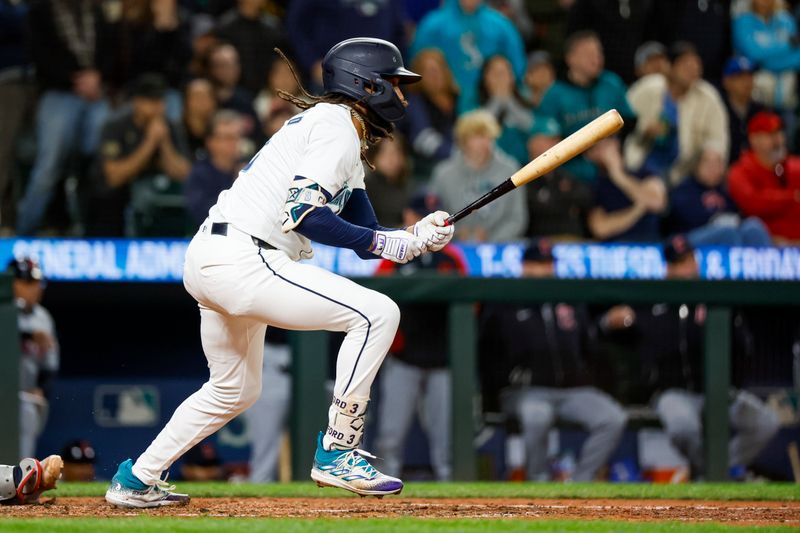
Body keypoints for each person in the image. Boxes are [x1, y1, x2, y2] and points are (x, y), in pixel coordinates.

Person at [105, 37, 455, 508]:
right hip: (247, 256)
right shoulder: (336, 125)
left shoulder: (337, 129)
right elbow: (306, 215)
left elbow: (367, 232)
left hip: (215, 255)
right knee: (377, 314)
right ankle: (338, 451)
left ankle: (136, 478)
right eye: (394, 82)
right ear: (365, 82)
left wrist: (415, 237)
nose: (402, 93)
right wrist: (383, 241)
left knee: (235, 389)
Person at [479, 241, 627, 481]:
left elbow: (589, 342)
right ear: (524, 267)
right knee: (538, 415)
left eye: (549, 264)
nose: (545, 270)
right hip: (525, 392)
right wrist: (497, 388)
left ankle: (581, 482)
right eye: (538, 264)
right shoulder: (505, 299)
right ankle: (538, 480)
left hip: (572, 391)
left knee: (613, 418)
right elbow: (486, 350)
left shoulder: (568, 297)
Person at [374, 192, 468, 482]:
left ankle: (451, 494)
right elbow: (376, 296)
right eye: (418, 215)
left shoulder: (452, 258)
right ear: (409, 218)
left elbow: (472, 305)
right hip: (404, 359)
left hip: (442, 360)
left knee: (447, 439)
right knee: (390, 435)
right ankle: (382, 487)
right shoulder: (394, 255)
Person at [17, 0, 113, 236]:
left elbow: (111, 50)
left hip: (96, 94)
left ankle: (93, 233)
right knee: (48, 167)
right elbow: (39, 54)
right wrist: (76, 80)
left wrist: (98, 77)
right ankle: (22, 234)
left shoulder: (95, 9)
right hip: (58, 92)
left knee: (100, 165)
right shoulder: (40, 11)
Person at [87, 73, 191, 236]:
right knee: (113, 198)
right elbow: (114, 177)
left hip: (154, 194)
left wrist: (164, 143)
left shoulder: (169, 126)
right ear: (137, 102)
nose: (158, 107)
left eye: (161, 101)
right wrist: (149, 143)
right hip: (115, 198)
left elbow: (183, 173)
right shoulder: (115, 126)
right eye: (152, 101)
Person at [533, 30, 635, 183]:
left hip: (613, 161)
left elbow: (630, 120)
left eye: (599, 52)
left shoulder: (611, 83)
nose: (596, 59)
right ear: (571, 58)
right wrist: (587, 152)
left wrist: (614, 142)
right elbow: (544, 143)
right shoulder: (555, 94)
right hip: (574, 174)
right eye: (588, 54)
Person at [624, 42, 729, 185]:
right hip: (638, 163)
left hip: (684, 174)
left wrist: (712, 155)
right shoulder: (647, 88)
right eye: (686, 64)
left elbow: (718, 139)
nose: (693, 70)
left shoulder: (708, 97)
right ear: (669, 66)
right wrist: (645, 128)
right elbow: (622, 120)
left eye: (696, 65)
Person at [410, 0, 526, 113]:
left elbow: (517, 68)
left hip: (490, 104)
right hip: (442, 108)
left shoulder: (501, 27)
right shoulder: (432, 26)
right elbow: (417, 68)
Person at [430, 110, 527, 242]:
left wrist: (490, 239)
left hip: (499, 247)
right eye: (478, 136)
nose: (485, 142)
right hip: (454, 249)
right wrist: (456, 234)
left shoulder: (510, 169)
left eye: (489, 136)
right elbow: (433, 214)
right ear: (463, 140)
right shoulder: (443, 174)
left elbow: (516, 218)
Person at [665, 146, 772, 248]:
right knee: (727, 232)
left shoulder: (725, 190)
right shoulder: (685, 188)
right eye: (708, 163)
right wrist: (717, 220)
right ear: (697, 165)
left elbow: (738, 215)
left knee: (753, 226)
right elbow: (685, 218)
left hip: (726, 230)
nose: (713, 168)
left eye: (718, 163)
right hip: (690, 239)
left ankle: (764, 266)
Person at [9, 258, 59, 460]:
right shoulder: (4, 311)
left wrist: (42, 389)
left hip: (24, 395)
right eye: (28, 283)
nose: (36, 288)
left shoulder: (43, 318)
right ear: (11, 283)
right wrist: (28, 336)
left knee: (27, 412)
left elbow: (50, 365)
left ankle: (16, 486)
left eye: (37, 283)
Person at [728, 111, 800, 243]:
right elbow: (753, 203)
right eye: (771, 135)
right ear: (754, 139)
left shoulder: (794, 166)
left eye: (780, 133)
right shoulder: (741, 171)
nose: (778, 140)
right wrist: (791, 197)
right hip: (765, 249)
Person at [586, 138, 666, 242]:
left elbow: (657, 203)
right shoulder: (596, 185)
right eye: (598, 148)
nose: (605, 150)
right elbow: (600, 229)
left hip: (649, 244)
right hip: (615, 248)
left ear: (616, 142)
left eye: (607, 143)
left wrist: (619, 176)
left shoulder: (643, 171)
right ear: (590, 155)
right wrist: (636, 210)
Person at [732, 0, 800, 115]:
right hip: (756, 97)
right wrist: (788, 44)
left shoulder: (786, 21)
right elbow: (753, 54)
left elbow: (797, 58)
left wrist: (767, 61)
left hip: (788, 96)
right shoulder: (742, 22)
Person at [400, 49, 457, 179]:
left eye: (438, 69)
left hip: (463, 165)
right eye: (428, 72)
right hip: (427, 170)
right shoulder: (414, 102)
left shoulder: (458, 98)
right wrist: (459, 154)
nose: (435, 75)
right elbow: (424, 139)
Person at [214, 0, 285, 97]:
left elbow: (277, 61)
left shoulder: (272, 27)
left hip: (267, 92)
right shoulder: (225, 26)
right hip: (233, 92)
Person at [184, 110, 243, 226]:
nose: (234, 143)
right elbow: (200, 214)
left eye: (237, 137)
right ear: (211, 142)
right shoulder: (199, 175)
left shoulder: (247, 169)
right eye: (228, 137)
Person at [478, 55, 534, 166]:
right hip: (489, 165)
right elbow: (480, 128)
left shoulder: (525, 96)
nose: (501, 78)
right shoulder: (473, 100)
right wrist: (497, 99)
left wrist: (508, 99)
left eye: (505, 73)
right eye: (496, 74)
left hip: (523, 163)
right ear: (485, 78)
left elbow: (529, 125)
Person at [721, 56, 764, 165]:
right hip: (723, 172)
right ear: (726, 81)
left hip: (756, 171)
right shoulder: (718, 109)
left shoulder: (761, 111)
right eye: (740, 77)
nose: (747, 82)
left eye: (750, 76)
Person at [363, 136, 412, 229]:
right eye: (387, 153)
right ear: (374, 156)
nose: (393, 159)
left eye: (398, 152)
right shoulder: (365, 186)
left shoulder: (403, 184)